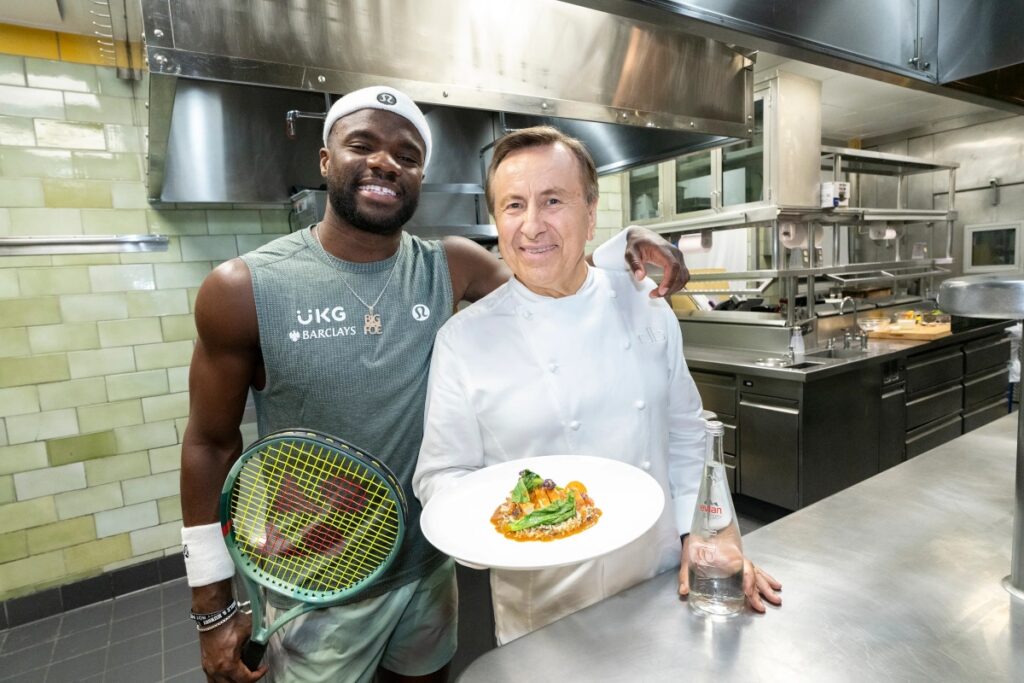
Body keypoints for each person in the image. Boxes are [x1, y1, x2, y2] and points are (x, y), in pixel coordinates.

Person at [180, 86, 691, 683]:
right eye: (362, 146)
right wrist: (211, 607)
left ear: (420, 175)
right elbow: (209, 445)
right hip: (320, 581)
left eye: (407, 155)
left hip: (427, 571)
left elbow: (550, 285)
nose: (385, 164)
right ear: (324, 160)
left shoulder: (449, 264)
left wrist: (627, 247)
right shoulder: (242, 288)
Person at [412, 126, 782, 645]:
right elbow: (443, 474)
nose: (532, 226)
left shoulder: (645, 303)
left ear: (591, 213)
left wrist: (706, 535)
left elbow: (686, 432)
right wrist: (493, 530)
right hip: (546, 613)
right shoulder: (463, 340)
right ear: (496, 220)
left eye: (553, 200)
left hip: (660, 582)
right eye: (514, 205)